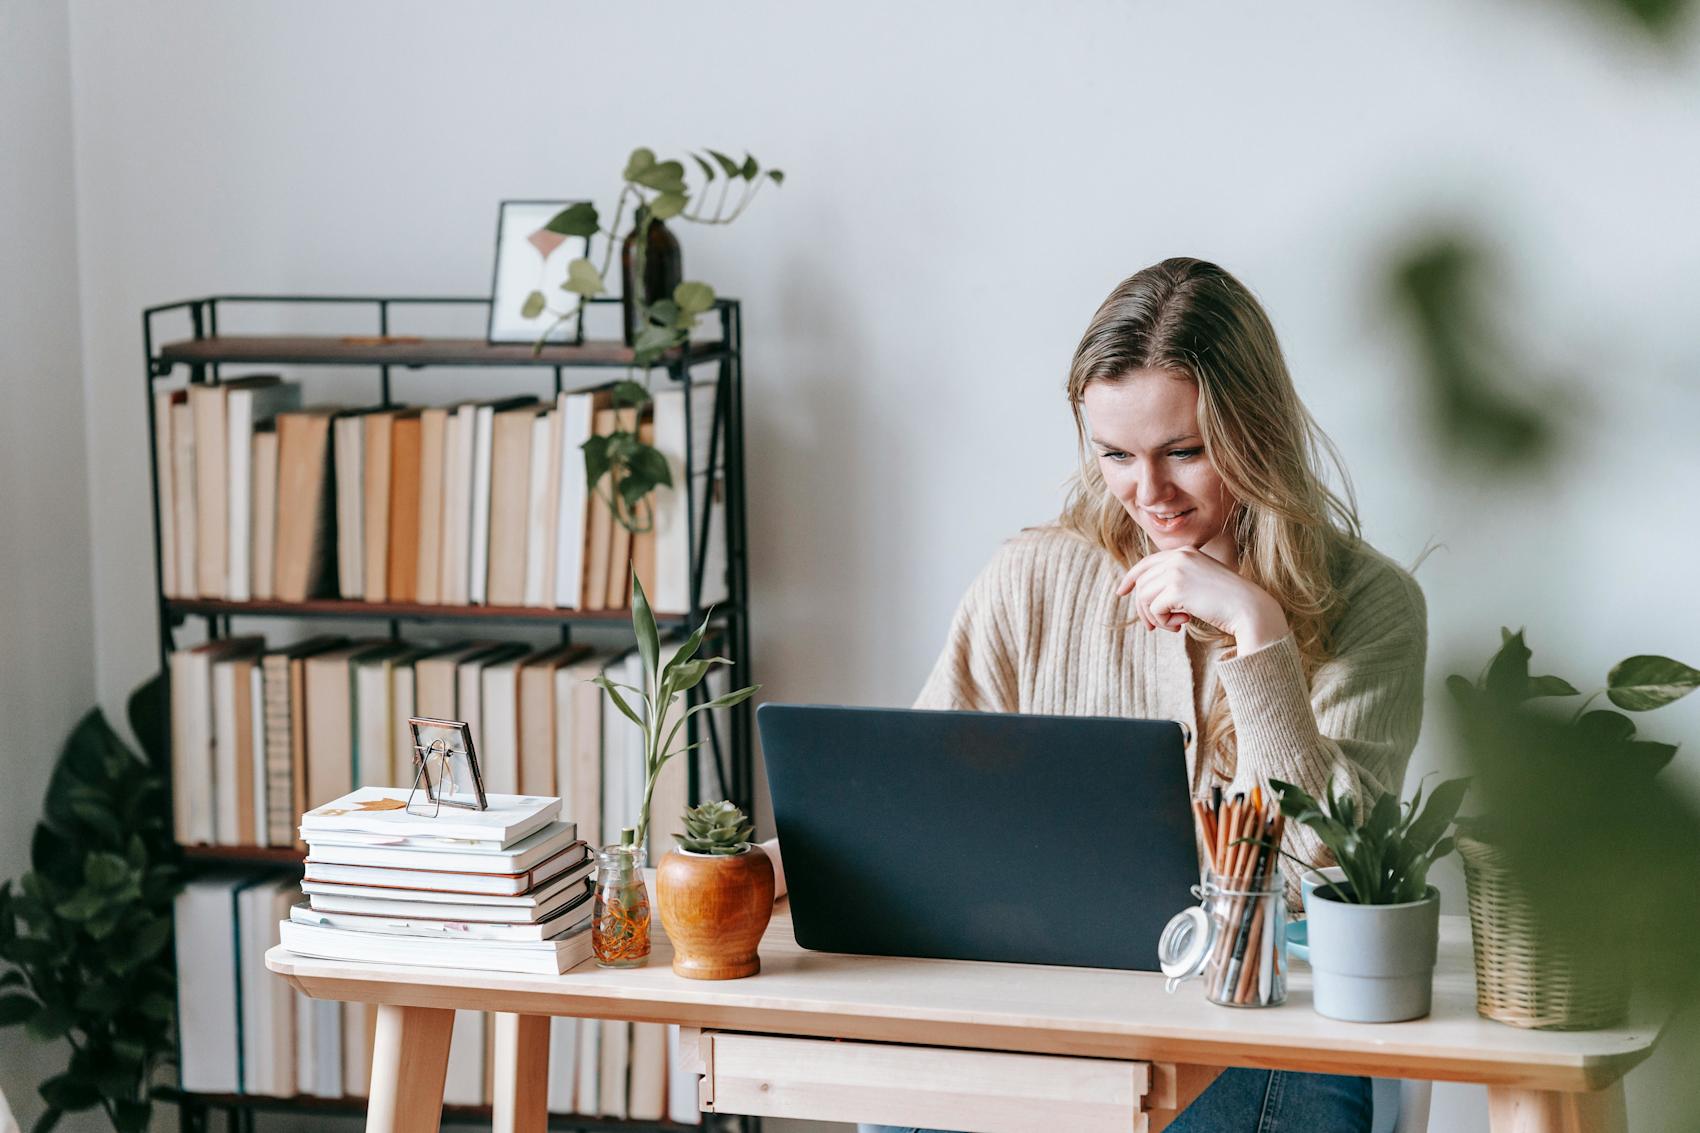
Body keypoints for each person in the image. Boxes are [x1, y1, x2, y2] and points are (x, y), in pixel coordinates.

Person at [864, 258, 1426, 1133]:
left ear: (1258, 432)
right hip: (1057, 1012)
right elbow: (918, 804)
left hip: (1264, 1035)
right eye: (1116, 455)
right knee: (898, 1092)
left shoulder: (1372, 606)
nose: (1149, 494)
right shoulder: (1030, 579)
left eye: (1185, 452)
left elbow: (1333, 868)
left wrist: (1259, 631)